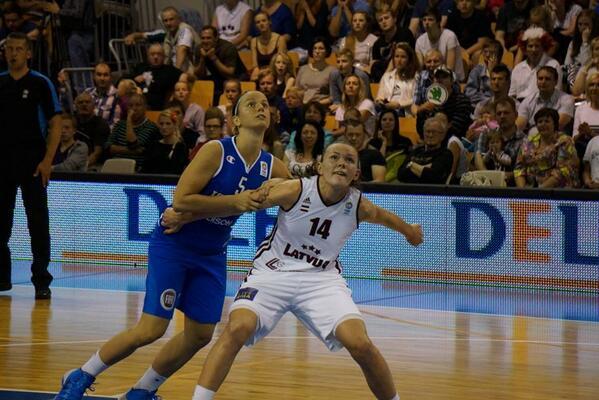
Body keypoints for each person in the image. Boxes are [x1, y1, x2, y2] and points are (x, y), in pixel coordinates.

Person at [53, 91, 290, 400]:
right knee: (151, 329)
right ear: (235, 120)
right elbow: (180, 200)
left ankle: (142, 390)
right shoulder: (216, 151)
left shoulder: (272, 166)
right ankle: (81, 375)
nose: (260, 107)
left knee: (201, 334)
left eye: (264, 104)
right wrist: (235, 202)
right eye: (251, 104)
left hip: (213, 253)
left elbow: (300, 190)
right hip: (175, 246)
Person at [188, 142, 423, 400]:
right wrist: (186, 216)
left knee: (360, 343)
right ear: (320, 166)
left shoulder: (358, 205)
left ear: (356, 173)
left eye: (349, 160)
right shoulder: (294, 190)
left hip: (321, 280)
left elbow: (384, 216)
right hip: (272, 273)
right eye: (334, 157)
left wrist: (410, 231)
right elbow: (242, 203)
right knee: (237, 328)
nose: (342, 163)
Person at [0, 33, 61, 299]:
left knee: (37, 223)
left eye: (18, 49)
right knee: (0, 224)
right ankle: (2, 279)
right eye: (9, 49)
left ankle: (41, 281)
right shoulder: (0, 82)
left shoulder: (40, 83)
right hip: (2, 162)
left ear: (28, 54)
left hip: (33, 163)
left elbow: (56, 123)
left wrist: (48, 160)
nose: (13, 53)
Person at [514, 108, 580, 188]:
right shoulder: (528, 141)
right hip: (530, 191)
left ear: (555, 124)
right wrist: (523, 192)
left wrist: (539, 193)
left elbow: (563, 171)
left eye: (547, 121)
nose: (543, 124)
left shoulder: (564, 141)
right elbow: (519, 168)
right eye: (540, 122)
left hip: (559, 191)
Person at [142, 109, 189, 174]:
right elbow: (146, 168)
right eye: (161, 124)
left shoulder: (181, 147)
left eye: (168, 124)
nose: (164, 127)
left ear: (174, 125)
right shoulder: (154, 145)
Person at [249, 11, 287, 81]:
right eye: (258, 22)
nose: (261, 24)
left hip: (277, 72)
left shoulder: (280, 39)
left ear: (269, 22)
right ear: (256, 26)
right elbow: (255, 66)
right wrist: (259, 72)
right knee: (253, 78)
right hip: (260, 74)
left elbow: (280, 63)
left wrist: (265, 72)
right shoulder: (254, 41)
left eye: (264, 21)